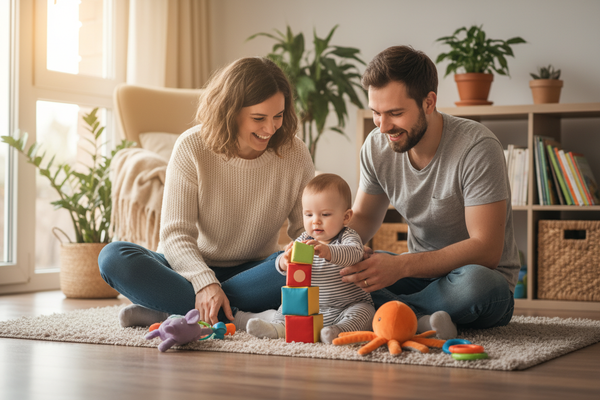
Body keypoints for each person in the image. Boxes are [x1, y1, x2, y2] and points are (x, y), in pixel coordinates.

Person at [99, 57, 315, 328]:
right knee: (113, 258)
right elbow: (176, 235)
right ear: (230, 111)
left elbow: (306, 231)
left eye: (278, 116)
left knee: (308, 263)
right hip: (186, 268)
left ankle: (174, 310)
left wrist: (309, 248)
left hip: (256, 272)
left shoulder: (295, 153)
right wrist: (204, 282)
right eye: (259, 118)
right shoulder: (192, 147)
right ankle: (234, 313)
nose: (270, 128)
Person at [340, 45, 520, 338]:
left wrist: (400, 266)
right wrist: (334, 251)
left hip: (475, 279)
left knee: (478, 286)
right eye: (376, 113)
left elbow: (486, 250)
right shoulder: (376, 146)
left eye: (395, 113)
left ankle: (382, 313)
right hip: (418, 278)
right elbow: (362, 218)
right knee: (352, 271)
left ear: (429, 102)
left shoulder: (476, 147)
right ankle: (419, 318)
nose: (383, 127)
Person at [240, 173, 376, 343]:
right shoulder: (304, 240)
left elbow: (354, 253)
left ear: (346, 217)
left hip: (346, 306)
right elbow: (289, 269)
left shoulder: (347, 237)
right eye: (309, 215)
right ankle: (278, 328)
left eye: (325, 215)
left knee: (365, 312)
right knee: (286, 306)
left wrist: (328, 252)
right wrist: (284, 261)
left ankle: (339, 331)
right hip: (311, 308)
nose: (316, 221)